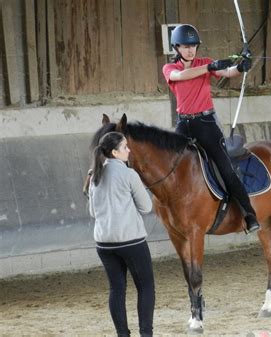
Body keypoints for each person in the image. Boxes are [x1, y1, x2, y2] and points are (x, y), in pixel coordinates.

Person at [162, 24, 260, 234]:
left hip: (206, 124)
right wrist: (210, 67)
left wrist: (242, 67)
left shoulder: (205, 63)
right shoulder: (171, 69)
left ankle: (249, 214)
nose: (190, 50)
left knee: (226, 168)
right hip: (183, 124)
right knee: (168, 163)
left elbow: (229, 71)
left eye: (193, 46)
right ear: (176, 48)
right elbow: (182, 77)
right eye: (185, 46)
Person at [88, 131, 155, 337]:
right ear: (115, 152)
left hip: (104, 243)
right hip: (130, 241)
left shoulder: (94, 175)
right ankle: (146, 334)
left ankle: (122, 334)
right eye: (125, 147)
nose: (129, 150)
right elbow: (146, 207)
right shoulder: (129, 174)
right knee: (146, 287)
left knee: (116, 290)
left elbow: (92, 211)